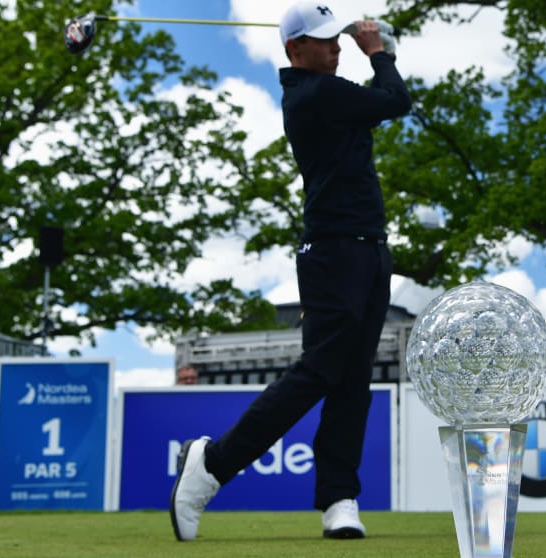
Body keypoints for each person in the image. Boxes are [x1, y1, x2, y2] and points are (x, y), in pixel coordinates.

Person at [169, 0, 411, 543]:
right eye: (325, 40)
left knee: (353, 379)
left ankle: (338, 500)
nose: (335, 46)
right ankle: (211, 466)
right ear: (294, 49)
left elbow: (382, 95)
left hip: (369, 247)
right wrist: (377, 52)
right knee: (321, 370)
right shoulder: (314, 94)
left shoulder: (331, 92)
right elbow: (396, 100)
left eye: (336, 38)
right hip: (333, 253)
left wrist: (381, 50)